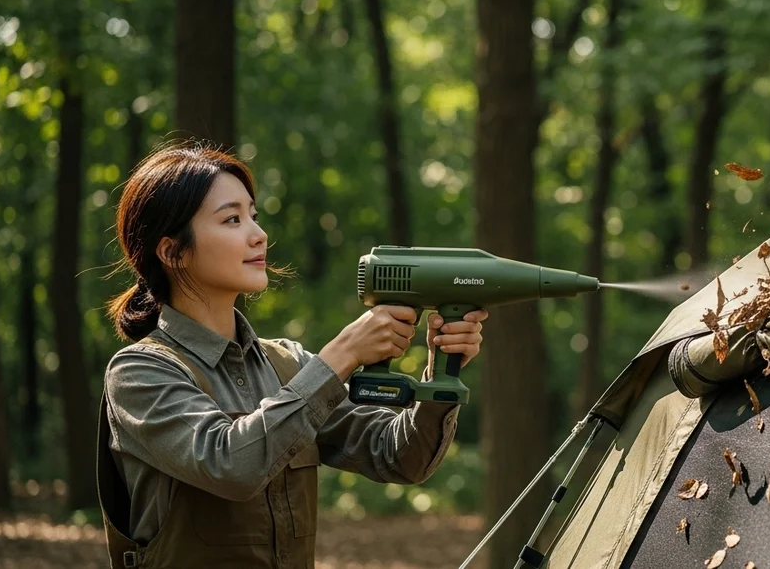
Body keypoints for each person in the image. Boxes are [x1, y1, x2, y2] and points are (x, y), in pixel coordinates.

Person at [96, 143, 485, 568]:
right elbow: (231, 464)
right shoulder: (139, 373)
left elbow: (400, 457)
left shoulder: (287, 364)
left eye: (253, 216)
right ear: (173, 252)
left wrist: (439, 373)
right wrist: (341, 356)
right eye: (231, 219)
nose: (258, 234)